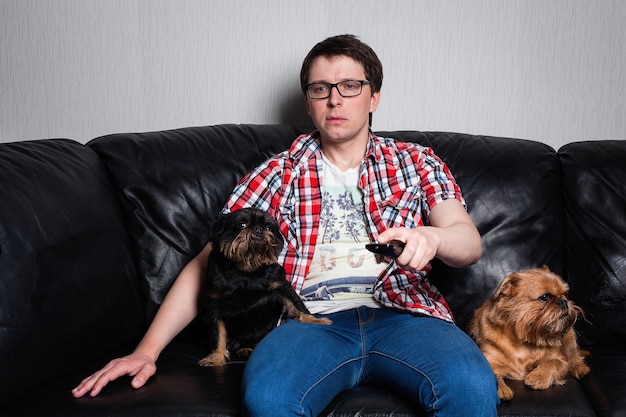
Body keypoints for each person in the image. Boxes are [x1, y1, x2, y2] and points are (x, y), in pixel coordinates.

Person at [73, 34, 499, 416]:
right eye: (320, 89)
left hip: (406, 313)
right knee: (270, 398)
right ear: (309, 101)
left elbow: (468, 243)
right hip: (308, 322)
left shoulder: (416, 161)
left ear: (374, 98)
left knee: (472, 388)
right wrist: (147, 351)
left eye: (350, 86)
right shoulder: (276, 173)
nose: (335, 100)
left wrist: (431, 235)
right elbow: (207, 262)